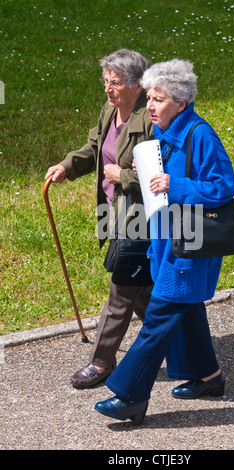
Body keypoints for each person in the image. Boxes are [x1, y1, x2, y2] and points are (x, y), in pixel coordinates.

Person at [94, 59, 234, 425]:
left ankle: (129, 396)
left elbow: (224, 187)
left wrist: (177, 185)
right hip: (166, 240)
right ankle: (209, 378)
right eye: (150, 98)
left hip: (190, 246)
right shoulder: (163, 133)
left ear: (181, 102)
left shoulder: (200, 135)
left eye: (158, 100)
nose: (150, 107)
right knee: (188, 311)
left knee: (158, 319)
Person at [45, 49, 153, 389]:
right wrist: (67, 165)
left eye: (116, 82)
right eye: (106, 81)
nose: (108, 89)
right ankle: (176, 340)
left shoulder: (152, 117)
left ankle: (101, 362)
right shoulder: (111, 109)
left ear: (137, 85)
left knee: (122, 289)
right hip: (114, 211)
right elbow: (95, 147)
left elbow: (165, 172)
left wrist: (121, 175)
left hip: (142, 217)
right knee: (142, 288)